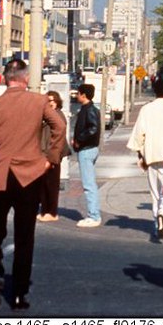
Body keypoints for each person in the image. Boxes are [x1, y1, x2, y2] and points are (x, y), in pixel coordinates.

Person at [0, 59, 65, 312]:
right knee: (24, 238)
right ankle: (19, 294)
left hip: (0, 176)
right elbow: (60, 126)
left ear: (5, 77)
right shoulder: (38, 101)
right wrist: (50, 159)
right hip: (30, 176)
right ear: (24, 77)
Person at [128, 77, 163, 239]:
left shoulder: (147, 109)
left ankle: (157, 221)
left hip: (152, 154)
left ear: (154, 90)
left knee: (155, 192)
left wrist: (140, 153)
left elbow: (139, 134)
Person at [72, 83, 102, 228]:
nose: (76, 95)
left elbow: (93, 128)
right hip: (90, 148)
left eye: (78, 93)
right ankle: (93, 213)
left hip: (86, 149)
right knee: (90, 183)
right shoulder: (89, 109)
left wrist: (79, 139)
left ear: (83, 95)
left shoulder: (89, 110)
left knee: (88, 184)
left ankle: (94, 215)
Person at [37, 91, 70, 222]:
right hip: (44, 153)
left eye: (51, 100)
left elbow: (58, 137)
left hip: (53, 153)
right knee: (43, 184)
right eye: (47, 101)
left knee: (52, 184)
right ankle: (45, 211)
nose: (49, 103)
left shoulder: (58, 116)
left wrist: (53, 155)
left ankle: (52, 212)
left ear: (56, 101)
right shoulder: (46, 116)